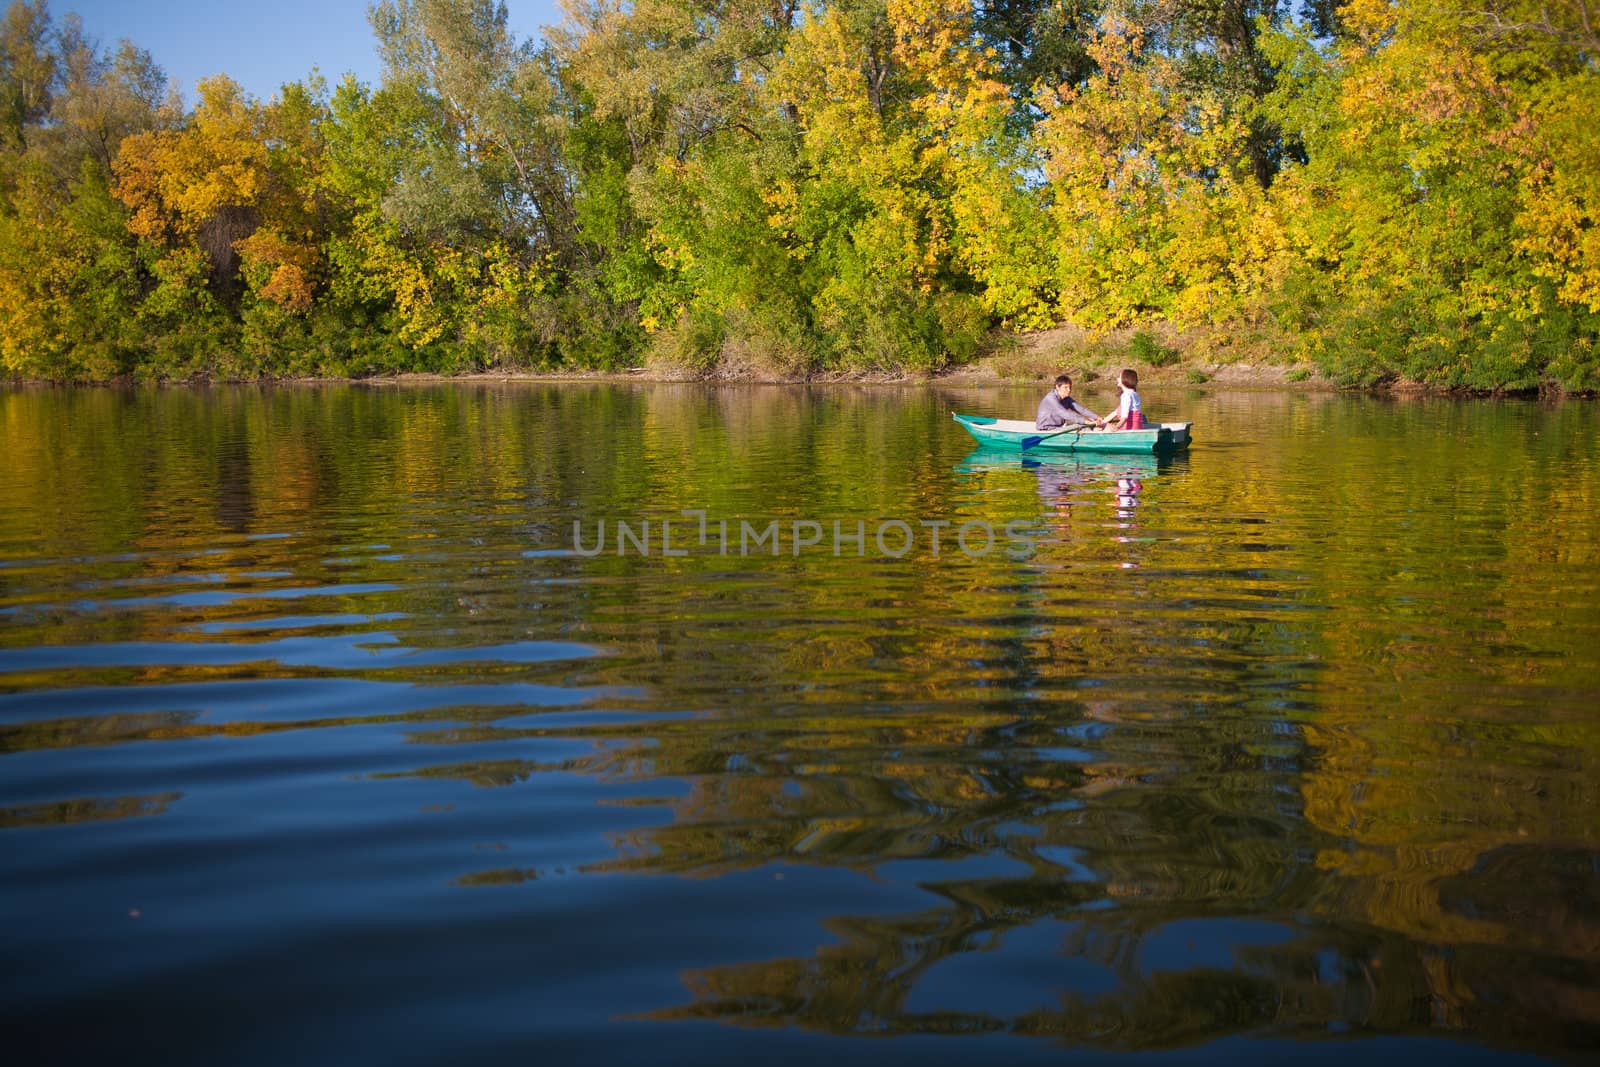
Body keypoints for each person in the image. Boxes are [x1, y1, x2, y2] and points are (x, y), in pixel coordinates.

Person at [1035, 374, 1104, 431]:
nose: (1069, 390)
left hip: (1058, 427)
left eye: (1070, 387)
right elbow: (1065, 414)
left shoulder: (1067, 398)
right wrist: (1086, 422)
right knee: (1083, 426)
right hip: (1046, 429)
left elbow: (1081, 409)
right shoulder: (1051, 399)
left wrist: (1097, 417)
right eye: (1065, 387)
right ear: (1057, 387)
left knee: (1085, 425)